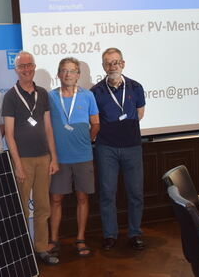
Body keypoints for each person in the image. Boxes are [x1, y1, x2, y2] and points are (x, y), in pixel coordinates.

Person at [2, 51, 60, 265]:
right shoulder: (10, 96)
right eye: (21, 66)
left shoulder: (42, 93)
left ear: (34, 67)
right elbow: (9, 133)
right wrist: (17, 164)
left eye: (29, 65)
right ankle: (24, 250)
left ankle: (42, 248)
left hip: (43, 158)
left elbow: (48, 127)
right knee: (23, 208)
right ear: (16, 70)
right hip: (23, 160)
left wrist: (54, 158)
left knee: (44, 206)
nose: (26, 69)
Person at [90, 47, 146, 251]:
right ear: (103, 66)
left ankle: (135, 233)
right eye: (108, 63)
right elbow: (93, 120)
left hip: (132, 147)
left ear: (123, 63)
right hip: (107, 148)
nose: (112, 66)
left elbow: (140, 114)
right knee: (107, 193)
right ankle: (110, 235)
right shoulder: (95, 91)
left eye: (115, 62)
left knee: (136, 193)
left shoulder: (136, 87)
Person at [47, 57, 100, 258]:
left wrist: (87, 140)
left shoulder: (88, 97)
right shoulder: (50, 97)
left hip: (83, 156)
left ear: (78, 75)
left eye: (72, 71)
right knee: (56, 199)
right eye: (64, 70)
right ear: (59, 74)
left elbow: (95, 123)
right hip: (58, 158)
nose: (68, 74)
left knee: (82, 197)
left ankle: (80, 238)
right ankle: (53, 239)